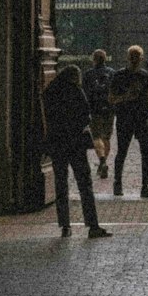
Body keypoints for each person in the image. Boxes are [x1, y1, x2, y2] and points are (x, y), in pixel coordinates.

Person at [43, 66, 112, 239]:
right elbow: (85, 115)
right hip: (75, 144)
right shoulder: (75, 91)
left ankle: (65, 225)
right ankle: (92, 225)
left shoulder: (50, 91)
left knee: (61, 184)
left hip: (57, 143)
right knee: (85, 185)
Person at [109, 44, 148, 198]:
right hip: (125, 118)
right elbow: (111, 98)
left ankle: (145, 185)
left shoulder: (144, 75)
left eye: (137, 57)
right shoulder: (119, 75)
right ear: (128, 58)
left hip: (141, 118)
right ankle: (117, 183)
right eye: (132, 57)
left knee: (146, 152)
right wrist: (126, 97)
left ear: (141, 59)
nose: (135, 60)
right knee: (122, 151)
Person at [82, 48, 115, 178]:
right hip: (109, 109)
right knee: (106, 137)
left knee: (96, 137)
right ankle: (104, 162)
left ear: (94, 59)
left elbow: (84, 93)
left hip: (94, 109)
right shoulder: (112, 73)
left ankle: (101, 160)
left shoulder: (88, 74)